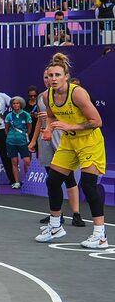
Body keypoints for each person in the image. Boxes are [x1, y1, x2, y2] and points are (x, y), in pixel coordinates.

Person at [35, 53, 107, 249]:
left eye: (57, 75)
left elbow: (97, 122)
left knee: (89, 185)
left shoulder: (78, 94)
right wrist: (49, 129)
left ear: (66, 76)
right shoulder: (46, 95)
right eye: (50, 76)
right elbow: (50, 116)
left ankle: (100, 235)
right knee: (53, 180)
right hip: (68, 143)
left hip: (89, 142)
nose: (53, 79)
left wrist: (69, 126)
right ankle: (56, 226)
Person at [31, 74, 83, 223]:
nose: (49, 79)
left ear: (63, 77)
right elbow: (40, 122)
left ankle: (76, 214)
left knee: (69, 178)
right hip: (45, 139)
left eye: (53, 76)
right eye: (46, 77)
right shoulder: (42, 96)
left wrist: (52, 119)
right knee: (51, 179)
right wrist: (34, 141)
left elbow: (74, 118)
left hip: (62, 137)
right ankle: (56, 214)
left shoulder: (69, 95)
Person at [4, 97, 34, 190]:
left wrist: (25, 136)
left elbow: (29, 128)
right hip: (11, 141)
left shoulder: (26, 115)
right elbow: (6, 129)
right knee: (14, 162)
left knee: (27, 161)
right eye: (14, 103)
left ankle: (27, 181)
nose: (16, 105)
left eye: (17, 103)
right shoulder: (9, 116)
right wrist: (10, 136)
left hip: (23, 142)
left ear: (21, 104)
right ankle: (17, 182)